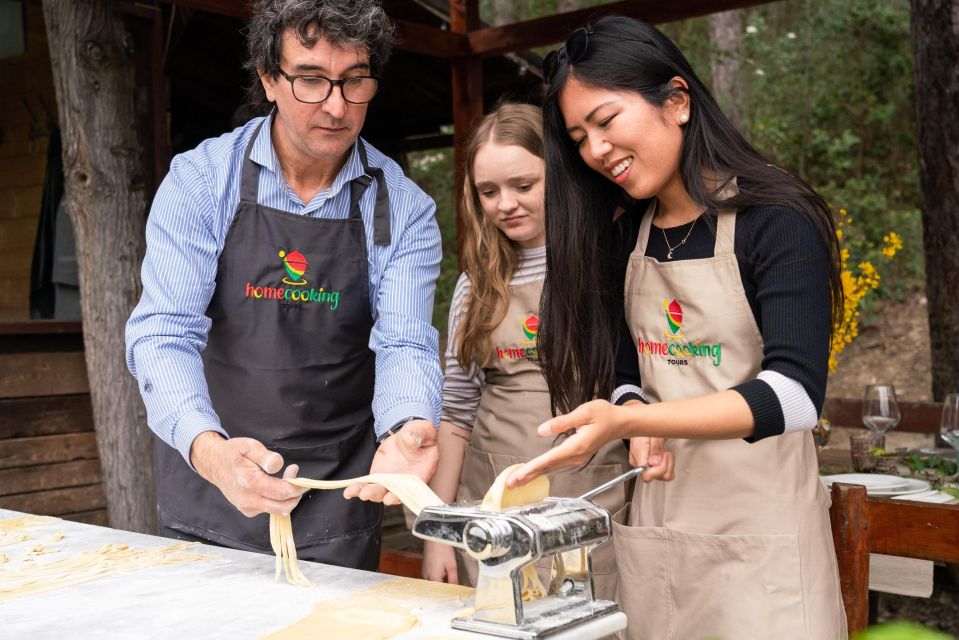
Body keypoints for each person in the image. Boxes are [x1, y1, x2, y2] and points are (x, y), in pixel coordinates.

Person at [508, 16, 848, 640]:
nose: (595, 150)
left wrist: (634, 421)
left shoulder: (775, 221)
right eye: (580, 137)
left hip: (764, 538)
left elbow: (795, 397)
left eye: (606, 122)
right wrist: (631, 407)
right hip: (663, 522)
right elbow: (624, 372)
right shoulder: (621, 237)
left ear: (677, 100)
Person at [125, 0, 442, 571]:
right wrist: (211, 451)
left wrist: (408, 424)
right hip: (213, 478)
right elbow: (165, 333)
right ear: (269, 79)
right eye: (311, 80)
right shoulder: (202, 181)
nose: (337, 106)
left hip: (338, 493)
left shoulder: (403, 206)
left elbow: (405, 340)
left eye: (354, 82)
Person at [420, 104, 643, 597]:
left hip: (590, 500)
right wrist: (438, 535)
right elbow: (456, 415)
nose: (506, 204)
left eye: (524, 186)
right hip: (493, 507)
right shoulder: (474, 286)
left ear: (560, 177)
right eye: (489, 192)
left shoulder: (611, 266)